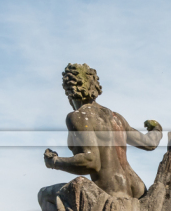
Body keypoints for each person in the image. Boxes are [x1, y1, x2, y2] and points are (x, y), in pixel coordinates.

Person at [43, 63, 162, 199]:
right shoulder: (115, 117)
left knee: (45, 195)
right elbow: (150, 143)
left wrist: (54, 162)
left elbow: (90, 161)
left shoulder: (78, 116)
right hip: (138, 190)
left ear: (69, 90)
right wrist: (156, 128)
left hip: (111, 191)